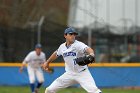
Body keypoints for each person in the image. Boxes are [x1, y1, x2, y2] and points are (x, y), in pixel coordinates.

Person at [43, 27, 102, 93]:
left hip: (82, 73)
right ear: (65, 35)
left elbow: (88, 49)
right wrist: (47, 62)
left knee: (94, 91)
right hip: (69, 74)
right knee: (49, 90)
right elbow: (56, 53)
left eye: (74, 34)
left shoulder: (78, 45)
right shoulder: (62, 47)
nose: (73, 36)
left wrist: (92, 54)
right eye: (71, 34)